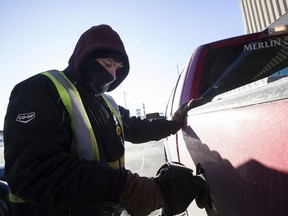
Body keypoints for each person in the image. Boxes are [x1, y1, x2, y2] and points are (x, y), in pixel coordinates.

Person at [3, 25, 201, 216]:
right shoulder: (42, 89)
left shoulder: (106, 103)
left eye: (117, 68)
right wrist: (126, 187)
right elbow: (33, 172)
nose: (113, 75)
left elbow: (136, 128)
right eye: (108, 64)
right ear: (85, 57)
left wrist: (173, 123)